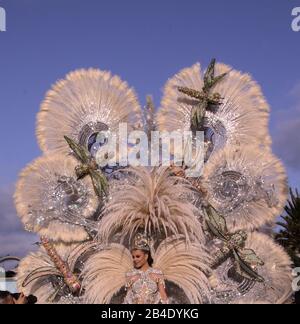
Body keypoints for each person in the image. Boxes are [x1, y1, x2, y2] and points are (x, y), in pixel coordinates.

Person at [123, 234, 169, 304]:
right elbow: (127, 299)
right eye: (133, 257)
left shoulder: (157, 273)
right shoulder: (130, 274)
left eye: (138, 256)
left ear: (146, 256)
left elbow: (163, 296)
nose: (135, 259)